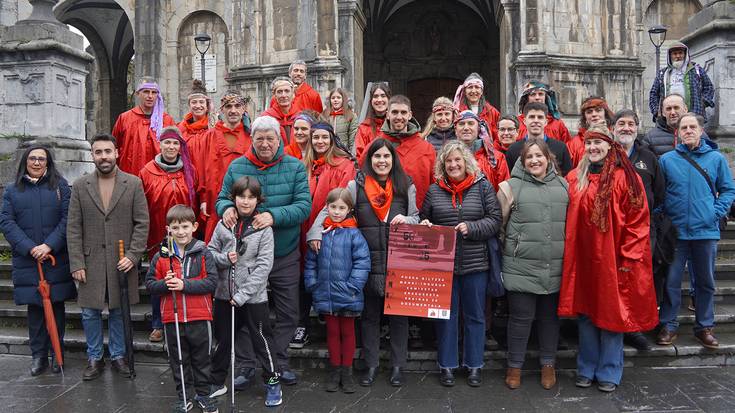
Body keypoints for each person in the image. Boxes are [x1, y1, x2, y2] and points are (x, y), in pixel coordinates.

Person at [307, 138, 420, 387]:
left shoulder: (404, 184)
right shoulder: (356, 184)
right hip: (364, 261)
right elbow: (332, 208)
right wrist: (315, 232)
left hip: (397, 260)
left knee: (399, 318)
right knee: (369, 317)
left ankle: (398, 366)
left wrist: (407, 220)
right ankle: (370, 365)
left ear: (393, 160)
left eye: (386, 157)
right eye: (377, 156)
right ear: (370, 160)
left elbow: (415, 217)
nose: (382, 161)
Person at [558, 126, 658, 393]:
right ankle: (586, 368)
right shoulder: (573, 177)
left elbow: (638, 221)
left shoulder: (626, 178)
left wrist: (629, 256)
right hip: (582, 259)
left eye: (598, 143)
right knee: (586, 315)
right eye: (589, 144)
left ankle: (609, 371)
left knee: (612, 315)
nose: (593, 148)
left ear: (610, 146)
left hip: (613, 259)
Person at [216, 115, 310, 387]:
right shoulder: (237, 166)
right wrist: (227, 208)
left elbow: (304, 206)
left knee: (289, 312)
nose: (265, 144)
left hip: (284, 253)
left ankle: (278, 361)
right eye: (260, 139)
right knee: (244, 309)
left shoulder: (294, 167)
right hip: (245, 257)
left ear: (280, 139)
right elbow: (222, 198)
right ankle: (246, 365)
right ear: (252, 140)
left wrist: (273, 215)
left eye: (270, 138)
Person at [66, 133, 149, 381]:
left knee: (117, 310)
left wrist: (134, 256)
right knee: (90, 312)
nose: (103, 156)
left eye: (107, 151)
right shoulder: (81, 185)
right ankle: (94, 357)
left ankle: (118, 355)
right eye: (98, 152)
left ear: (117, 153)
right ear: (92, 155)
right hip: (90, 261)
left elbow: (142, 223)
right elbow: (73, 226)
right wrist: (77, 262)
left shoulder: (132, 183)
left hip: (121, 260)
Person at [420, 140, 502, 387]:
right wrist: (424, 226)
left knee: (475, 316)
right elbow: (425, 218)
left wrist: (472, 227)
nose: (454, 165)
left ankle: (474, 364)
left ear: (466, 162)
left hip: (475, 264)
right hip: (443, 266)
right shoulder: (434, 190)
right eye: (449, 161)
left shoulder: (482, 187)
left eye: (458, 160)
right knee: (446, 316)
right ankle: (447, 365)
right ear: (442, 166)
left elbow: (495, 220)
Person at [657, 113, 735, 349]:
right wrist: (663, 220)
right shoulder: (667, 160)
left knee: (705, 282)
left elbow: (729, 190)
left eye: (693, 127)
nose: (688, 130)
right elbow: (660, 193)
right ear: (678, 132)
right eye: (684, 127)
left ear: (701, 130)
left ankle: (705, 326)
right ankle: (669, 325)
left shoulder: (716, 159)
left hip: (705, 231)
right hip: (676, 233)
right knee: (671, 281)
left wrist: (715, 212)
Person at [496, 139, 569, 390]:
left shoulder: (564, 186)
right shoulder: (509, 188)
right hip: (520, 266)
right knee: (520, 319)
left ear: (548, 158)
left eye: (539, 156)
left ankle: (548, 364)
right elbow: (499, 228)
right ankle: (514, 366)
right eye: (529, 157)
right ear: (522, 161)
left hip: (554, 265)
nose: (535, 161)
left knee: (549, 319)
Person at [0, 145, 75, 376]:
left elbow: (67, 219)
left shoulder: (60, 187)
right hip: (28, 260)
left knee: (56, 307)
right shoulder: (12, 190)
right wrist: (30, 248)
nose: (36, 162)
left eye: (41, 159)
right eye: (32, 158)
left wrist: (48, 245)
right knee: (35, 311)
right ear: (25, 161)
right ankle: (38, 356)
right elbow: (7, 222)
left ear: (48, 162)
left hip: (54, 258)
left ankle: (56, 354)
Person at [208, 176, 283, 407]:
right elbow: (210, 253)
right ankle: (217, 380)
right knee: (223, 341)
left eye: (251, 198)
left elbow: (263, 267)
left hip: (252, 298)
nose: (246, 202)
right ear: (234, 198)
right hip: (224, 294)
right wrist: (224, 258)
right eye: (242, 197)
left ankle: (272, 382)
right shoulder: (224, 224)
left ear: (258, 200)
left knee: (261, 339)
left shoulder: (263, 229)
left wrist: (241, 296)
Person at [144, 205, 218, 413]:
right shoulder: (161, 257)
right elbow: (150, 285)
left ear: (194, 226)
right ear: (168, 229)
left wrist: (184, 285)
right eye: (175, 228)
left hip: (200, 316)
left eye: (185, 226)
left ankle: (204, 395)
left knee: (202, 359)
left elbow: (211, 282)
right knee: (178, 360)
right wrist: (165, 284)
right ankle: (183, 396)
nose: (181, 232)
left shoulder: (204, 252)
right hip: (172, 319)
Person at [292, 123, 356, 349]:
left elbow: (340, 200)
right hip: (301, 230)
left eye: (324, 137)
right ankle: (302, 325)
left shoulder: (344, 165)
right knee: (303, 276)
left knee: (328, 274)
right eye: (315, 137)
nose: (319, 142)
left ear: (332, 139)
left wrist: (319, 230)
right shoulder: (303, 166)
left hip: (330, 231)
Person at [304, 188, 370, 393]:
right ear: (327, 207)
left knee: (348, 333)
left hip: (348, 294)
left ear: (349, 209)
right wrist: (313, 284)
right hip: (326, 293)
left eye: (342, 208)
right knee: (332, 333)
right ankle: (334, 370)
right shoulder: (321, 233)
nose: (337, 212)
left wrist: (353, 286)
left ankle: (347, 372)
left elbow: (362, 263)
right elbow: (310, 263)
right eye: (333, 207)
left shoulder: (354, 234)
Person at [612, 109, 666, 352]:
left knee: (637, 281)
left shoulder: (648, 157)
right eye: (621, 123)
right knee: (613, 280)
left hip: (643, 232)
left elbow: (660, 193)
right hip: (612, 231)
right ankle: (613, 324)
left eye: (630, 124)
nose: (626, 128)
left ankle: (633, 329)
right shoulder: (606, 154)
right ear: (613, 128)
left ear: (637, 127)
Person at [139, 127, 198, 343]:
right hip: (160, 233)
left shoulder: (189, 170)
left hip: (185, 234)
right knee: (162, 277)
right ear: (160, 144)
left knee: (185, 276)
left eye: (175, 143)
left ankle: (186, 318)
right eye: (167, 143)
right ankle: (158, 323)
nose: (171, 147)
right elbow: (141, 203)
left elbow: (197, 195)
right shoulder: (147, 171)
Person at [189, 92, 252, 242]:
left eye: (237, 106)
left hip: (244, 196)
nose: (233, 110)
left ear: (244, 109)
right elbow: (202, 167)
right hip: (215, 197)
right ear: (222, 110)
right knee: (214, 241)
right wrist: (204, 198)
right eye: (228, 106)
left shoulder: (251, 135)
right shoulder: (210, 135)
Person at [372, 95, 436, 209]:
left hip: (418, 213)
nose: (399, 116)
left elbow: (434, 185)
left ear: (410, 115)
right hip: (382, 213)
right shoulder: (374, 146)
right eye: (395, 112)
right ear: (387, 114)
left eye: (403, 112)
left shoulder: (426, 149)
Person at [111, 78, 175, 176]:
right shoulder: (125, 118)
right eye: (146, 92)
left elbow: (175, 149)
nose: (150, 96)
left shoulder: (167, 120)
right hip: (130, 175)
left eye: (154, 92)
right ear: (138, 94)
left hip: (159, 177)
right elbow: (114, 147)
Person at [649, 42, 714, 121]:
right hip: (669, 118)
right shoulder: (662, 73)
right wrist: (656, 111)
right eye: (675, 54)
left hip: (693, 115)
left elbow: (709, 87)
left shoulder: (697, 70)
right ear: (670, 56)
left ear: (685, 54)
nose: (678, 56)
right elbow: (653, 94)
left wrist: (702, 103)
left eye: (680, 53)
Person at [505, 102, 573, 176]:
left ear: (546, 122)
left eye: (540, 117)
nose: (536, 120)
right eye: (532, 117)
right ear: (524, 121)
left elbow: (567, 178)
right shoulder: (513, 149)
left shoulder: (561, 148)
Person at [454, 110, 510, 191]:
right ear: (455, 130)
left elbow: (504, 191)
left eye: (471, 123)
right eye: (462, 124)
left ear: (479, 128)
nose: (466, 128)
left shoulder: (496, 158)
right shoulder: (447, 157)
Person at [567, 97, 614, 167]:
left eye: (598, 110)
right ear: (585, 117)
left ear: (605, 114)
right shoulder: (574, 144)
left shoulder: (616, 138)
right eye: (589, 112)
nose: (594, 114)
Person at [452, 73, 501, 140]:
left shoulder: (493, 112)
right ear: (465, 91)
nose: (473, 91)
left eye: (477, 87)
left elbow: (498, 136)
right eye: (470, 87)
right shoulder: (457, 111)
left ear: (481, 91)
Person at [355, 82, 392, 159]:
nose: (379, 100)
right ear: (371, 101)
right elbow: (360, 156)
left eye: (383, 96)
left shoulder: (396, 124)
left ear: (389, 99)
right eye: (375, 96)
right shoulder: (364, 128)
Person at [262, 77, 299, 145]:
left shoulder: (301, 116)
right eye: (279, 92)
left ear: (292, 93)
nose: (283, 95)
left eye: (287, 91)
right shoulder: (265, 118)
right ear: (275, 95)